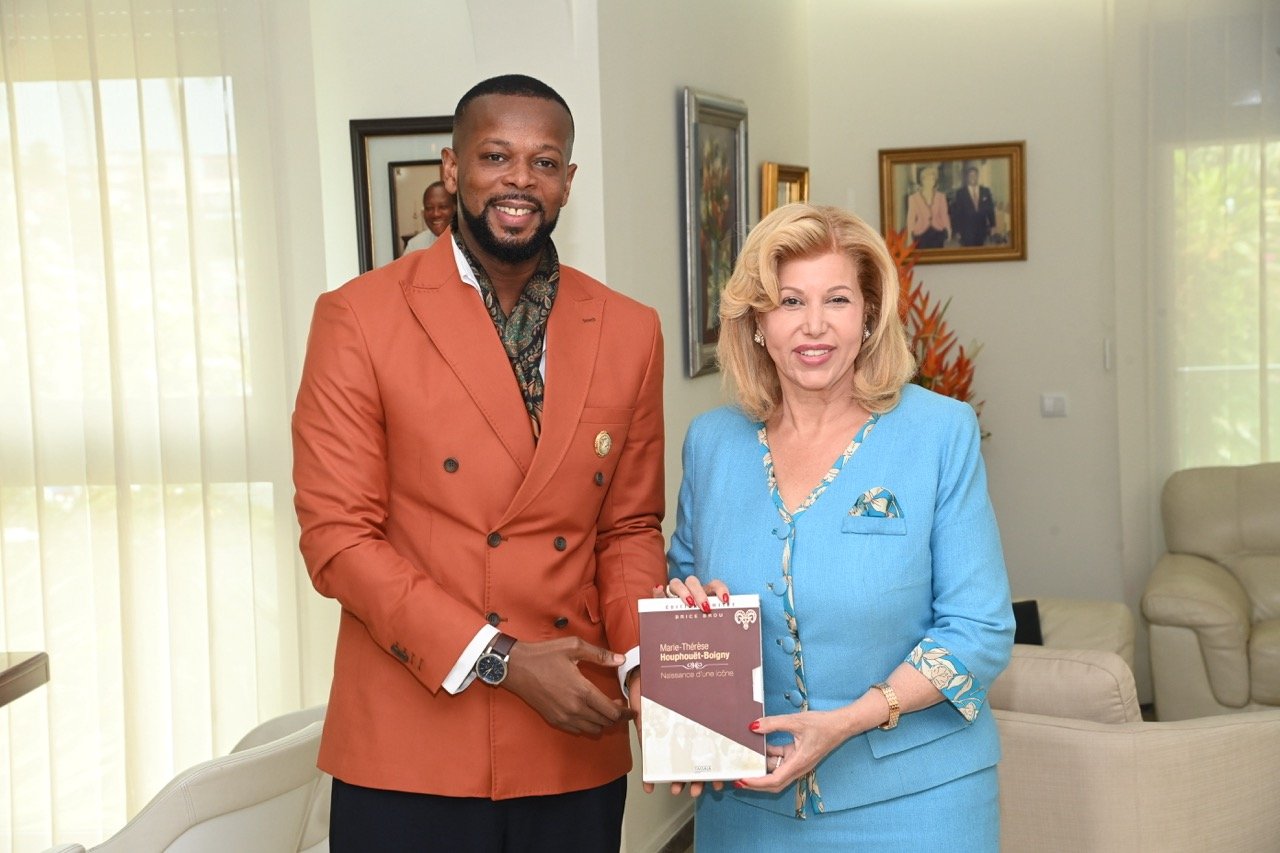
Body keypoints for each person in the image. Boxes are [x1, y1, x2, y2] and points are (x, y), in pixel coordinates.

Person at [292, 74, 667, 852]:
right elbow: (338, 540)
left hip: (573, 739)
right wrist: (502, 658)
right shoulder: (358, 317)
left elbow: (627, 527)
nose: (520, 179)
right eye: (496, 155)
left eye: (545, 161)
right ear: (453, 168)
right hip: (412, 745)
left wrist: (644, 666)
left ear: (568, 180)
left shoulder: (629, 329)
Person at [665, 203, 1013, 849]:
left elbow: (979, 628)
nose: (814, 325)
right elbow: (682, 579)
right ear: (758, 322)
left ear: (870, 315)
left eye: (838, 299)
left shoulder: (939, 431)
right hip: (747, 802)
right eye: (790, 301)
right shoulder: (711, 442)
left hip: (917, 799)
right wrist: (682, 609)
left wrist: (847, 721)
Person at [904, 164, 950, 249]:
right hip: (920, 233)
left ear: (935, 181)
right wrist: (909, 237)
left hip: (938, 232)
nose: (929, 181)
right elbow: (911, 218)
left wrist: (949, 229)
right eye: (926, 179)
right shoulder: (913, 198)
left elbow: (944, 215)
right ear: (922, 180)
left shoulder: (941, 197)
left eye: (932, 179)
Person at [403, 180, 456, 253]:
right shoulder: (415, 246)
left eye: (443, 207)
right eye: (429, 208)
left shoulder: (472, 244)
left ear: (456, 208)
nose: (436, 214)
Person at [950, 165, 996, 247]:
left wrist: (992, 225)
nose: (973, 177)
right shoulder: (960, 193)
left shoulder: (985, 191)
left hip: (982, 230)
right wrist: (957, 231)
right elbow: (956, 213)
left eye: (975, 175)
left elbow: (990, 209)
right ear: (967, 177)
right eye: (970, 175)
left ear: (978, 176)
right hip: (966, 230)